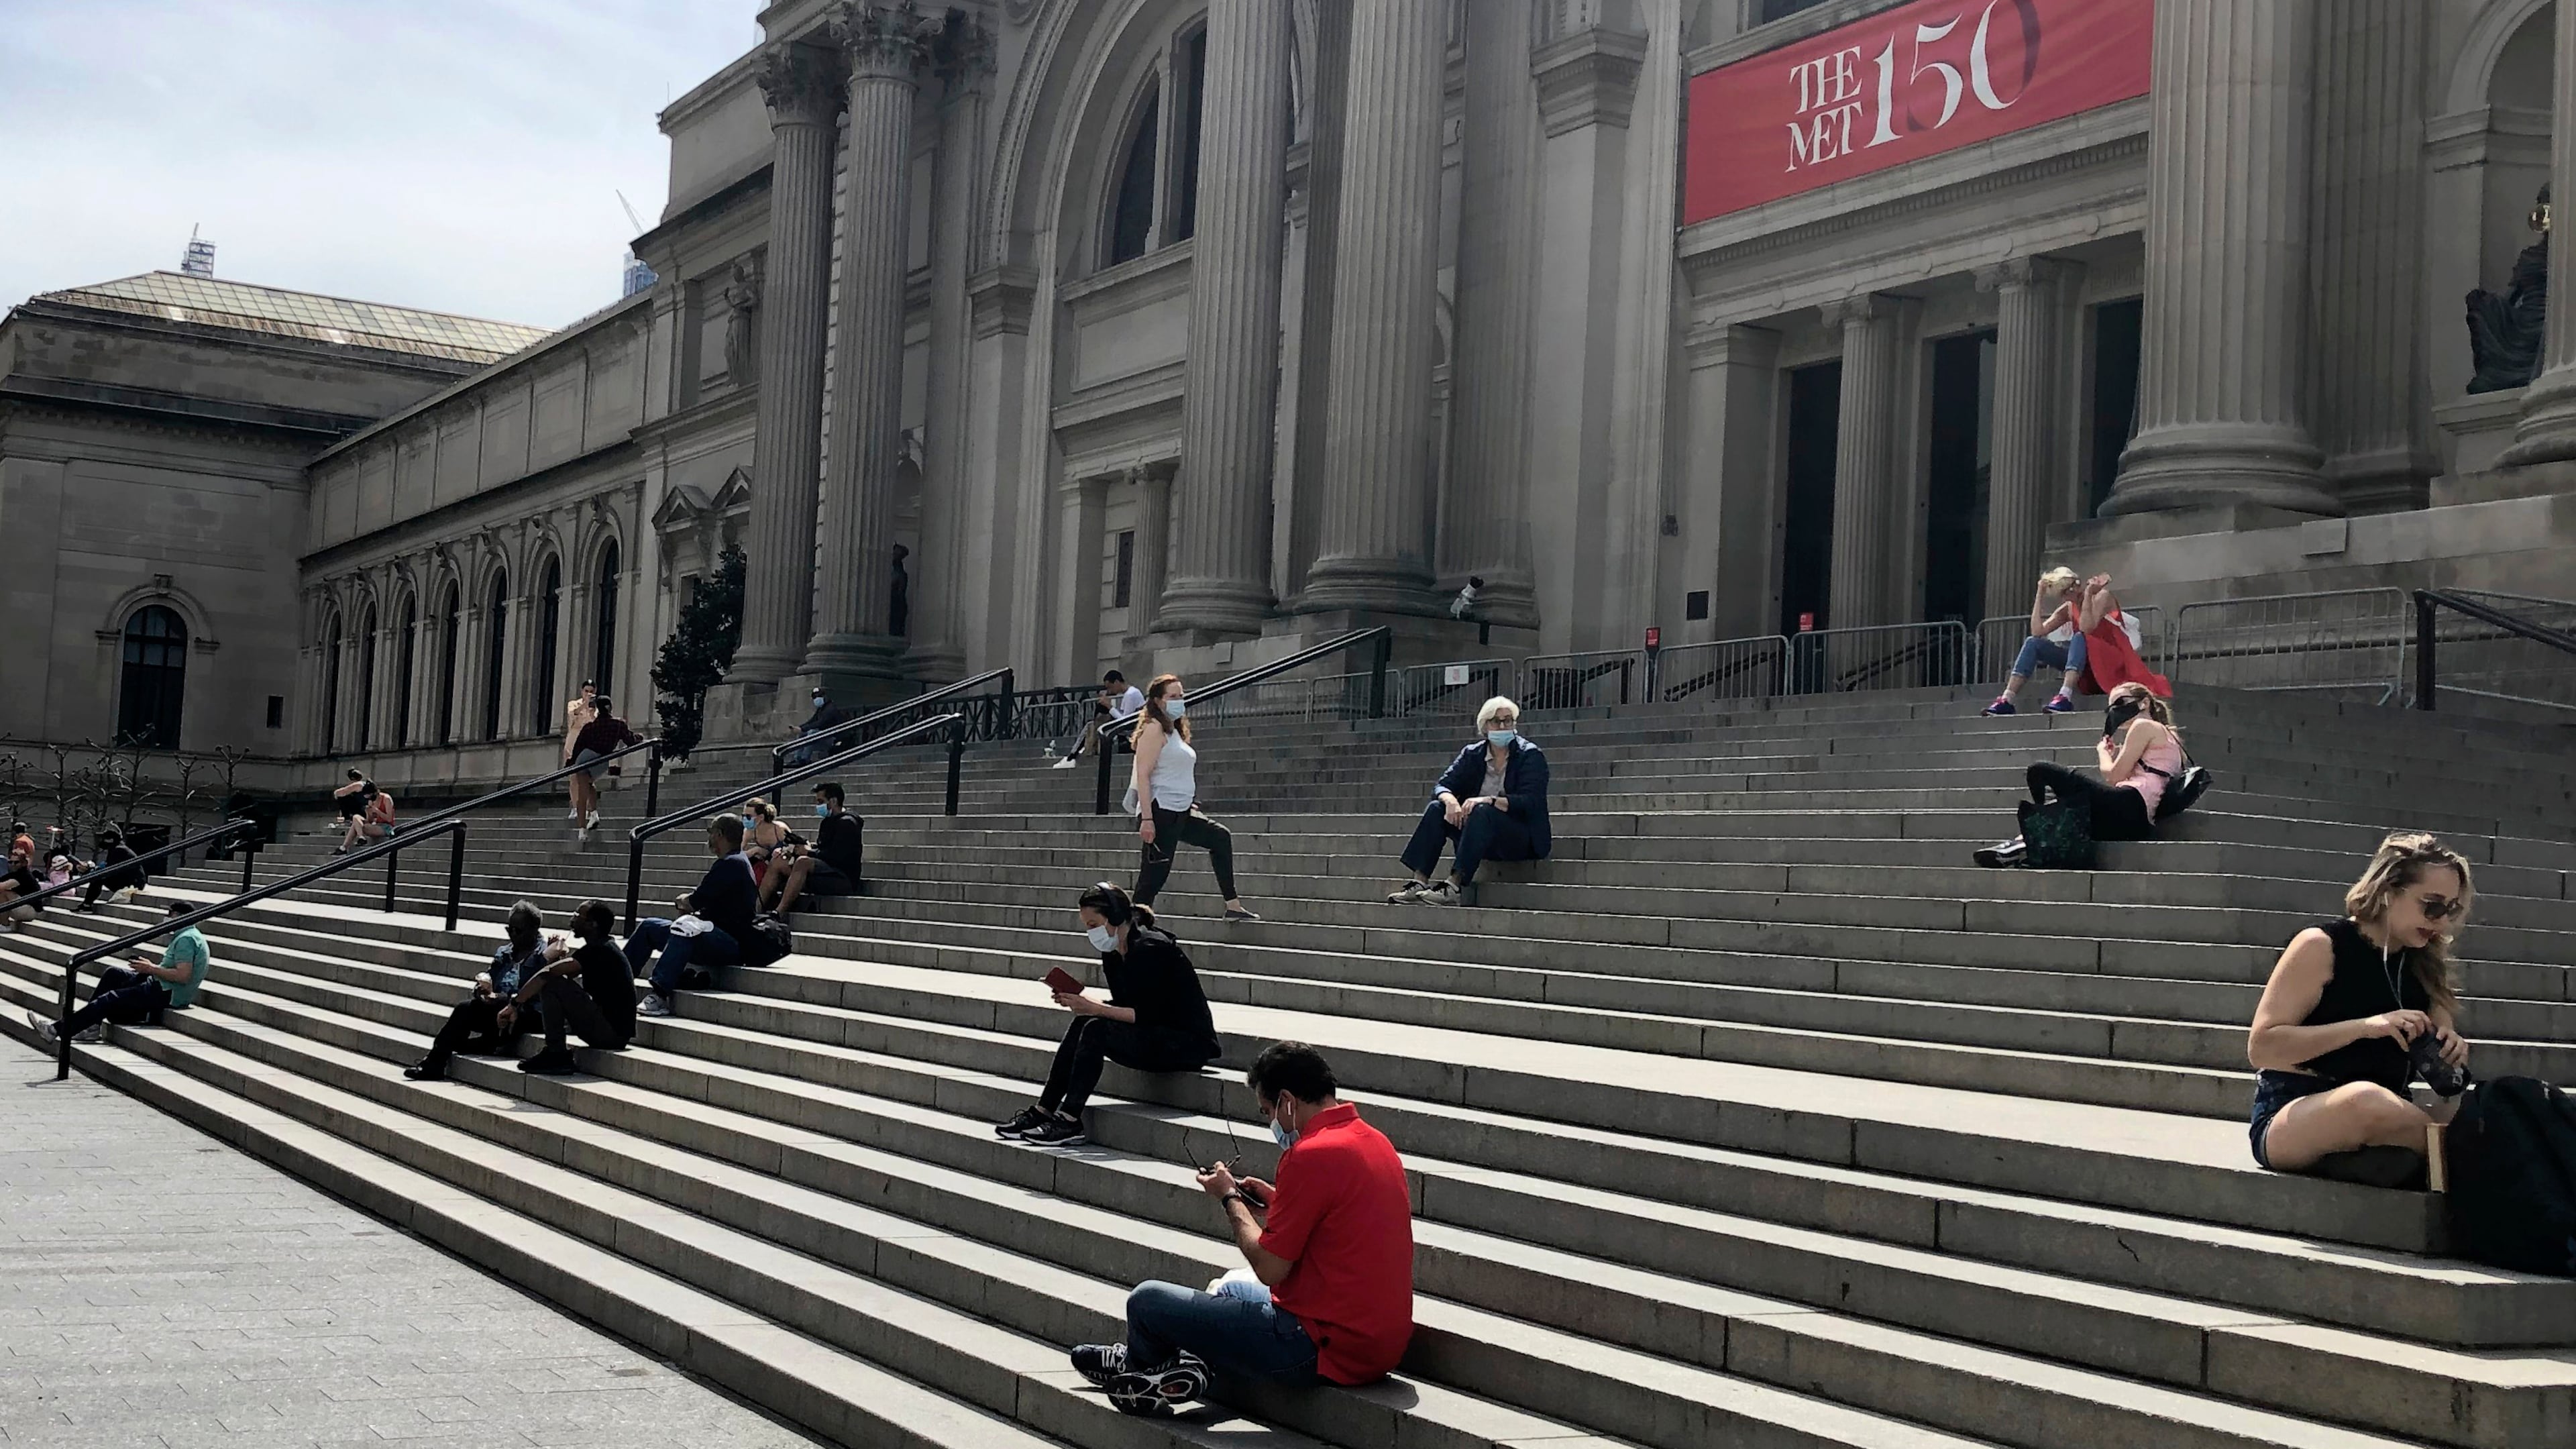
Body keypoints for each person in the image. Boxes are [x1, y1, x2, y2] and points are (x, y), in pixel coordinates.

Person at [1069, 1042, 1414, 1416]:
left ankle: (1140, 1368)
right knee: (1231, 1287)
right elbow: (1339, 1224)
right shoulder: (1374, 1141)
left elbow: (1270, 1268)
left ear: (1287, 1101)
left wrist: (1229, 1197)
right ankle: (1181, 1365)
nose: (1271, 1123)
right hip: (1380, 1346)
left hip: (1319, 1347)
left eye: (1268, 1111)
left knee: (1146, 1301)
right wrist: (1278, 1202)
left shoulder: (1310, 1154)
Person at [2245, 833, 2474, 1186]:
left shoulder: (2427, 967)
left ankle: (2378, 1159)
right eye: (2432, 906)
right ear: (2388, 891)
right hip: (2295, 1110)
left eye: (2452, 910)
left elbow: (2444, 1069)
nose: (2441, 922)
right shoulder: (2321, 945)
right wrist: (2366, 1027)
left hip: (2391, 1111)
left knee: (2478, 1107)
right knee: (2364, 1100)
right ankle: (2467, 1157)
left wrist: (2451, 1049)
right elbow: (2262, 1048)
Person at [995, 882, 1220, 1148]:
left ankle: (1070, 1119)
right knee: (1085, 1022)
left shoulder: (1151, 948)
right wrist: (1082, 1002)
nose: (1090, 932)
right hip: (1155, 1034)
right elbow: (1126, 1006)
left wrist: (1096, 1008)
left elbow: (1150, 1014)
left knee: (1096, 1028)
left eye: (1093, 924)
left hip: (1186, 1043)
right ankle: (1044, 1110)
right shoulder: (1113, 953)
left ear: (1114, 917)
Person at [1973, 682, 2181, 867]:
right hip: (2138, 822)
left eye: (2120, 702)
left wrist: (2103, 753)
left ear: (2144, 703)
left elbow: (2113, 776)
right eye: (2111, 707)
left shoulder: (2143, 726)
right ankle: (2023, 844)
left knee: (2040, 770)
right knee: (2071, 810)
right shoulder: (2170, 737)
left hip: (2130, 804)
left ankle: (2033, 834)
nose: (2115, 711)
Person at [1389, 696, 1550, 908]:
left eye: (1508, 720)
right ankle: (1419, 881)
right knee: (1437, 808)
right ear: (1485, 726)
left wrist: (1490, 800)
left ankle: (1454, 886)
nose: (1503, 726)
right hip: (1478, 834)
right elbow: (1442, 786)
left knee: (1482, 810)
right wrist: (1451, 802)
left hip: (1518, 836)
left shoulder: (1529, 755)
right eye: (1497, 721)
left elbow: (1531, 802)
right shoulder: (1472, 754)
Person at [1129, 674, 1258, 922]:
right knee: (1154, 875)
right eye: (1172, 696)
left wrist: (1188, 799)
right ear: (1157, 701)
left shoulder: (1174, 730)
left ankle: (1233, 906)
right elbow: (1143, 775)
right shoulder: (1154, 729)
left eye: (1181, 695)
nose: (1179, 700)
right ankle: (1134, 925)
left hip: (1182, 809)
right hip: (1161, 810)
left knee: (1220, 837)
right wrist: (1147, 819)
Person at [628, 814, 759, 1019]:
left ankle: (660, 995)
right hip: (711, 935)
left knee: (685, 928)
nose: (709, 838)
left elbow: (693, 902)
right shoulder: (735, 862)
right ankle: (618, 981)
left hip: (729, 943)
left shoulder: (731, 864)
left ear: (720, 834)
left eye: (710, 832)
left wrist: (682, 900)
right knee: (649, 927)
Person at [29, 899, 211, 1045]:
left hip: (167, 993)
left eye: (169, 914)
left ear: (179, 916)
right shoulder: (187, 936)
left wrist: (151, 968)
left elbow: (183, 976)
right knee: (114, 974)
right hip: (162, 984)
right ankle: (92, 1027)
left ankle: (55, 1030)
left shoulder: (186, 940)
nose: (166, 918)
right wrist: (149, 968)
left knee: (110, 998)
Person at [405, 900, 551, 1080]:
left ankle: (482, 1046)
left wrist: (503, 998)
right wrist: (482, 990)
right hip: (499, 1008)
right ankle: (435, 1063)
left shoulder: (545, 954)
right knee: (465, 1012)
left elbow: (539, 992)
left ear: (534, 929)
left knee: (471, 1014)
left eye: (518, 931)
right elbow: (491, 977)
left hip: (528, 1011)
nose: (513, 935)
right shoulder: (505, 952)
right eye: (509, 930)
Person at [515, 899, 635, 1074]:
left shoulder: (600, 949)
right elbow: (565, 975)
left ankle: (556, 1053)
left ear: (593, 924)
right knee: (554, 982)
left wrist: (514, 1004)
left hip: (611, 1034)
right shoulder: (602, 947)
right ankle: (555, 1052)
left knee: (551, 983)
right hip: (613, 1032)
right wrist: (557, 958)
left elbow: (548, 974)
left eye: (578, 915)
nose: (573, 919)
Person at [1984, 568, 2090, 715]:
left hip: (2098, 660)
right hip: (2079, 660)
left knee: (2079, 637)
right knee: (2032, 642)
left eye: (2066, 593)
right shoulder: (2068, 608)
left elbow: (2088, 628)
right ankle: (2007, 699)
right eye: (2062, 595)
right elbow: (2037, 631)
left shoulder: (2093, 600)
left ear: (2075, 587)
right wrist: (2040, 594)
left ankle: (2065, 695)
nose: (2064, 598)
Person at [759, 782, 861, 920]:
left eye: (821, 802)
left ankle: (779, 912)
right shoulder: (827, 822)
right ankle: (756, 908)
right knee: (779, 861)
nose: (818, 806)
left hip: (842, 878)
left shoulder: (848, 823)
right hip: (824, 873)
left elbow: (837, 856)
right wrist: (798, 849)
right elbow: (822, 848)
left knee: (803, 862)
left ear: (833, 801)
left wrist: (809, 853)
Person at [2068, 573, 2169, 699]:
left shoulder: (2102, 596)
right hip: (2093, 654)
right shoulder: (2071, 606)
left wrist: (2088, 594)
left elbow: (2087, 628)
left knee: (2080, 637)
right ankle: (2066, 690)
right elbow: (2043, 628)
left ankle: (2065, 691)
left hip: (2113, 649)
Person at [565, 694, 641, 830]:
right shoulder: (618, 724)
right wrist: (639, 738)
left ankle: (583, 829)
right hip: (602, 760)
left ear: (598, 710)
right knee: (589, 783)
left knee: (583, 790)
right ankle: (593, 814)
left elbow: (578, 747)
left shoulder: (590, 726)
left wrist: (571, 762)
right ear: (610, 708)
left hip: (586, 757)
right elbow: (630, 741)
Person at [1056, 669, 1146, 767]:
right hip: (1128, 726)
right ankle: (1076, 752)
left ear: (1117, 682)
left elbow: (1124, 720)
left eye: (1110, 687)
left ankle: (1074, 754)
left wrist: (1109, 707)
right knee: (1092, 725)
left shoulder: (1130, 695)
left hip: (1130, 728)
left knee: (1092, 726)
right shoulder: (1128, 694)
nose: (1110, 691)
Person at [73, 829, 147, 912]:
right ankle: (87, 904)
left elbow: (110, 870)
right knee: (98, 876)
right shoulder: (117, 848)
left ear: (111, 840)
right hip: (129, 880)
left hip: (134, 884)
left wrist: (94, 872)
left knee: (98, 878)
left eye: (103, 839)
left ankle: (87, 905)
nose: (101, 841)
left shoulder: (119, 850)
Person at [784, 688, 854, 768]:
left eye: (819, 696)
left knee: (812, 733)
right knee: (803, 734)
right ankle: (798, 758)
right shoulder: (821, 709)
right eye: (814, 697)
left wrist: (803, 729)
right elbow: (812, 721)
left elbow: (820, 723)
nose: (816, 699)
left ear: (824, 696)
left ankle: (805, 759)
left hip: (833, 739)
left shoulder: (831, 709)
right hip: (824, 737)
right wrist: (800, 728)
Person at [561, 680, 600, 820]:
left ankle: (588, 808)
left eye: (591, 691)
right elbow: (573, 715)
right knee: (573, 777)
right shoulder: (574, 704)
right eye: (586, 691)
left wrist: (592, 710)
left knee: (587, 777)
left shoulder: (596, 708)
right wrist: (585, 704)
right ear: (582, 691)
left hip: (588, 745)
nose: (589, 694)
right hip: (573, 744)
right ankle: (575, 807)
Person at [0, 851, 44, 931]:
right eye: (10, 862)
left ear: (24, 863)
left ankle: (5, 925)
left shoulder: (23, 875)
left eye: (16, 862)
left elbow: (2, 887)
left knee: (3, 893)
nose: (13, 865)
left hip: (31, 911)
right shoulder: (13, 874)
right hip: (22, 907)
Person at [331, 769, 373, 847]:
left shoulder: (358, 785)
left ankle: (347, 818)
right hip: (365, 810)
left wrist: (336, 795)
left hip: (364, 812)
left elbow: (341, 792)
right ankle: (348, 817)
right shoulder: (364, 784)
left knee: (343, 797)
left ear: (352, 778)